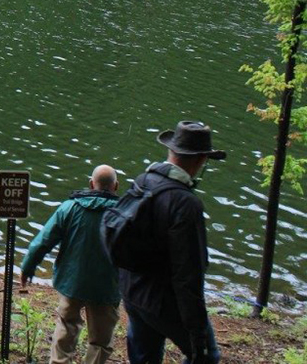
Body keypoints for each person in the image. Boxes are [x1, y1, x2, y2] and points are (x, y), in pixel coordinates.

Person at [119, 121, 225, 364]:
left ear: (171, 151)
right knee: (207, 357)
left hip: (132, 290)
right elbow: (189, 275)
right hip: (163, 301)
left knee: (144, 357)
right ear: (201, 160)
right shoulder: (186, 204)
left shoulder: (142, 181)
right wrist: (197, 332)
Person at [21, 164, 121, 364]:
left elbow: (44, 240)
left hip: (72, 282)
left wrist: (28, 267)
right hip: (106, 287)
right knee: (100, 341)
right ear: (116, 186)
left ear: (91, 184)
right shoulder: (124, 213)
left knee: (66, 328)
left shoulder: (69, 207)